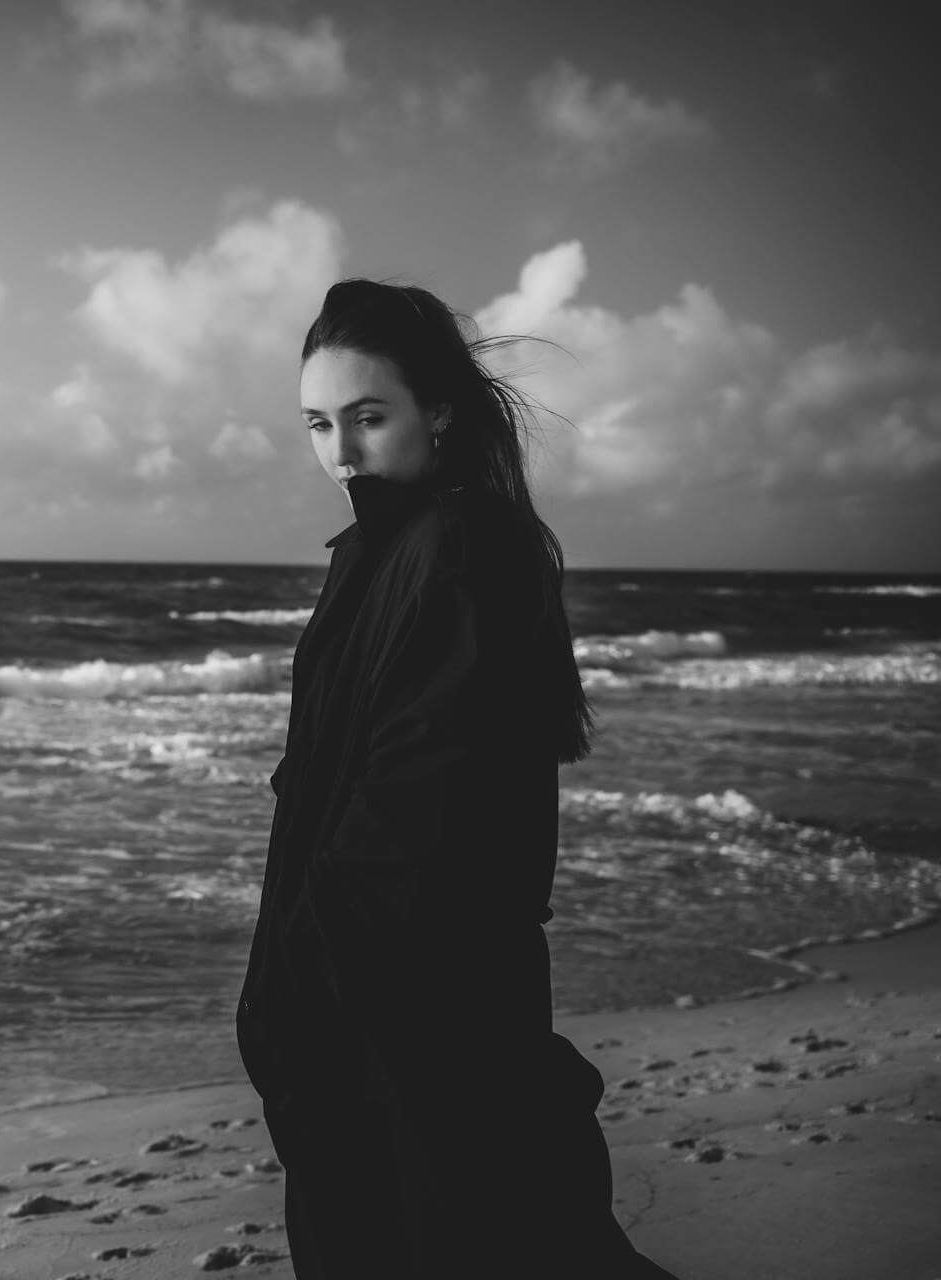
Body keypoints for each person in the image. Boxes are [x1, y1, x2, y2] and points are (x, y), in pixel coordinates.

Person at [235, 279, 677, 1278]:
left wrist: (302, 988)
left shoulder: (462, 548)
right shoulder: (385, 548)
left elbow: (418, 790)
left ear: (436, 409)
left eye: (367, 417)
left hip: (417, 1003)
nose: (340, 452)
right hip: (378, 1000)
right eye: (317, 423)